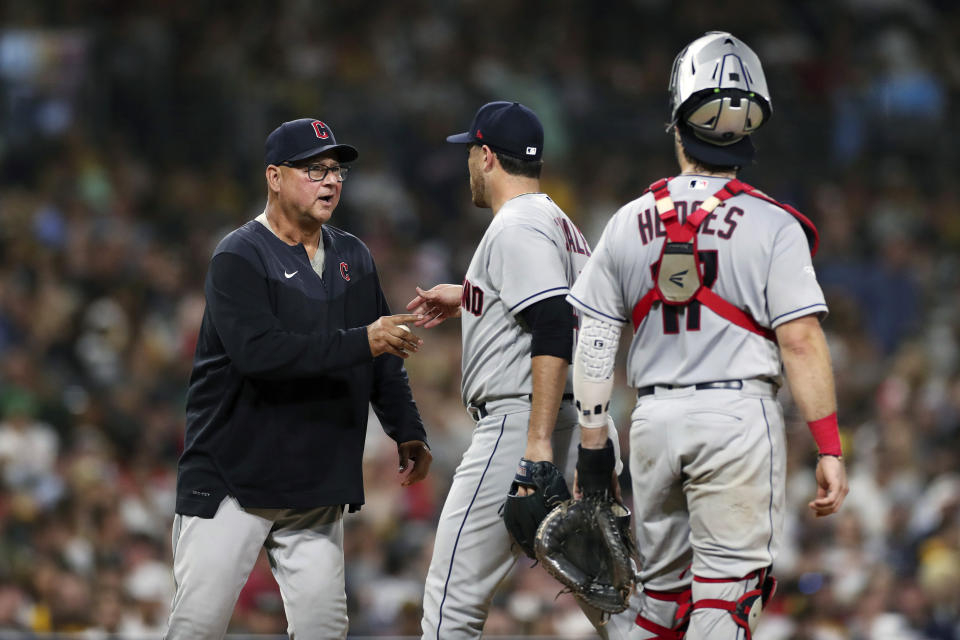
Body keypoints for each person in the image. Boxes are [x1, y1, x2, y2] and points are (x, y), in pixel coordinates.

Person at [566, 32, 849, 639]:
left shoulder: (625, 222)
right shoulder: (775, 224)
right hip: (735, 418)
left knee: (661, 602)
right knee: (726, 598)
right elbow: (800, 341)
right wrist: (828, 445)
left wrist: (594, 447)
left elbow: (594, 339)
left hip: (653, 422)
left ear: (677, 122)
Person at [165, 117, 433, 640]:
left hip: (313, 484)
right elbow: (259, 354)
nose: (331, 180)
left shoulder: (354, 254)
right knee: (196, 629)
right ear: (274, 176)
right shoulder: (239, 255)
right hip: (232, 480)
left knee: (324, 631)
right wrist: (365, 340)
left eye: (337, 170)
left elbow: (384, 354)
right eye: (314, 170)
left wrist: (407, 427)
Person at [407, 101, 633, 639]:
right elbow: (554, 303)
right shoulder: (559, 222)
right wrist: (470, 295)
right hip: (582, 421)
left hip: (524, 423)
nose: (468, 165)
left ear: (486, 156)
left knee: (452, 598)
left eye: (470, 153)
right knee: (611, 596)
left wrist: (534, 447)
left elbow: (552, 322)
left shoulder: (515, 223)